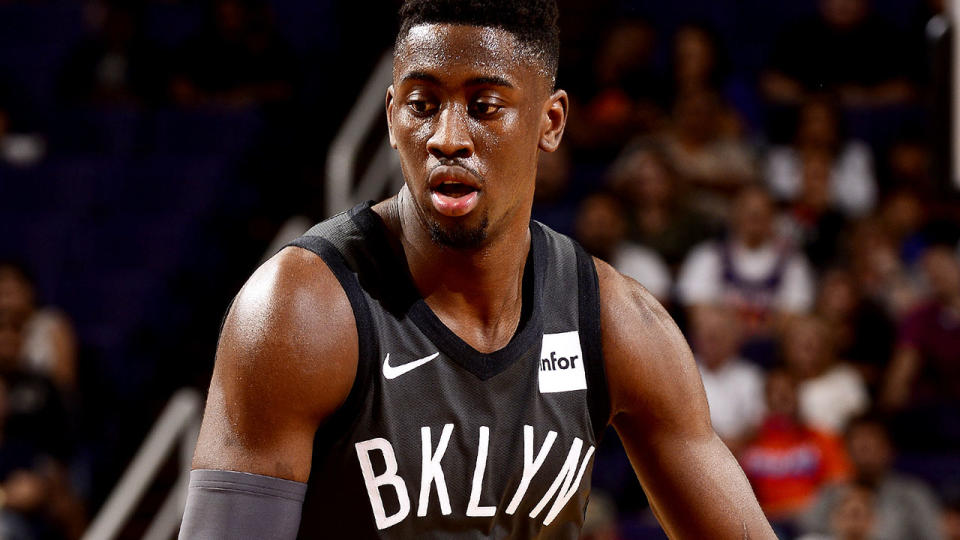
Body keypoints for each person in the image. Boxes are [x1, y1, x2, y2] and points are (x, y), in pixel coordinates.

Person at [179, 1, 775, 538]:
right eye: (423, 104)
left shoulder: (616, 322)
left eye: (485, 106)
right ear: (391, 118)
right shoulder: (299, 310)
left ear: (551, 122)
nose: (447, 137)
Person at [800, 414, 944, 540]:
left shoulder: (913, 494)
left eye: (871, 443)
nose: (864, 450)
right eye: (858, 444)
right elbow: (810, 533)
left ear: (889, 449)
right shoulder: (829, 493)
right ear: (845, 451)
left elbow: (934, 536)